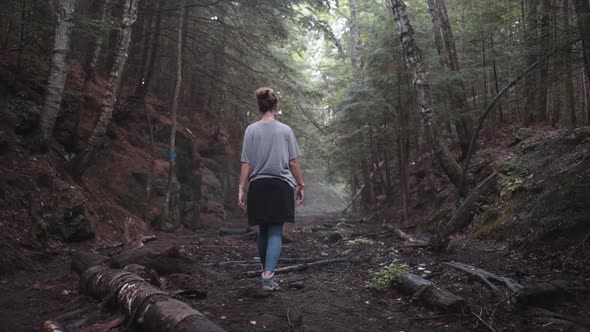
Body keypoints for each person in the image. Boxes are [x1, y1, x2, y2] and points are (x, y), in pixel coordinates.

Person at [238, 87, 305, 291]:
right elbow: (292, 163)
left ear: (260, 107)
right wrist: (301, 184)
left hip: (257, 185)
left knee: (263, 230)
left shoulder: (251, 130)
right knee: (275, 231)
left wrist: (241, 188)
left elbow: (246, 163)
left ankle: (264, 270)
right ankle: (268, 276)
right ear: (275, 106)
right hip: (280, 185)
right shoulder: (285, 130)